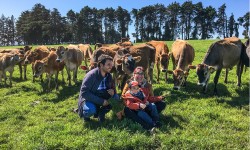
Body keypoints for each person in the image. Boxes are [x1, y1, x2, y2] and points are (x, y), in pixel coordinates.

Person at [77, 54, 118, 122]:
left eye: (112, 64)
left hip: (102, 95)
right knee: (90, 110)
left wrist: (113, 91)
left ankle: (101, 113)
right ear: (101, 65)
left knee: (116, 98)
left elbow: (112, 88)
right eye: (108, 65)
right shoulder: (91, 76)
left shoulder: (109, 75)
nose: (111, 67)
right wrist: (101, 101)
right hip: (90, 97)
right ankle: (85, 115)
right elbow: (84, 93)